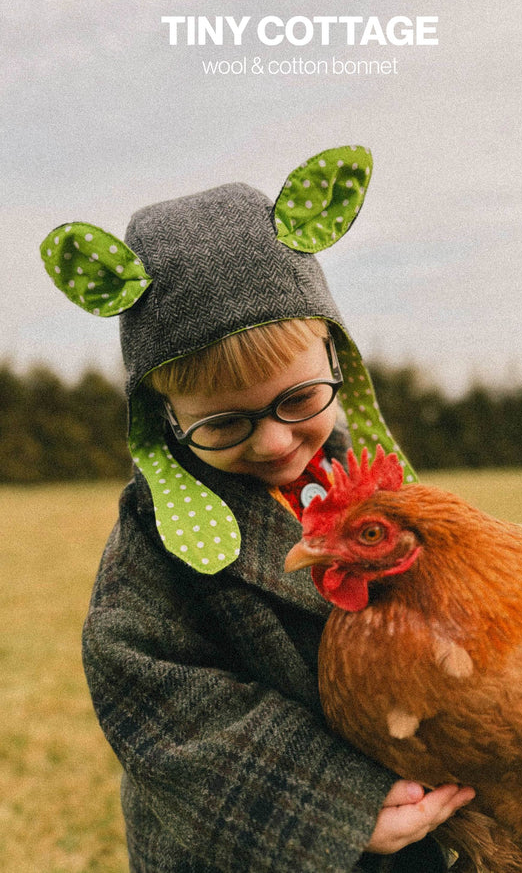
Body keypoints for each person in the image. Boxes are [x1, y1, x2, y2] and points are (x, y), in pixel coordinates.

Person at [40, 145, 474, 872]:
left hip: (411, 825)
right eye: (223, 424)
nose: (276, 441)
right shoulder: (155, 542)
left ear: (337, 359)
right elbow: (155, 698)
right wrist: (337, 804)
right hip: (251, 843)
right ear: (166, 417)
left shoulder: (370, 483)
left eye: (300, 400)